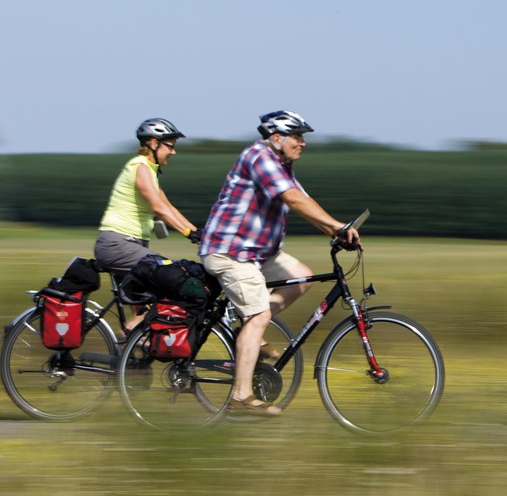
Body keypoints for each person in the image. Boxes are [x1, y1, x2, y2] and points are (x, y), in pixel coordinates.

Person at [198, 110, 360, 416]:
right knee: (258, 315)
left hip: (258, 253)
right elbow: (295, 201)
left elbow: (306, 204)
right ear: (277, 138)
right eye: (298, 136)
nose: (303, 143)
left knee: (302, 275)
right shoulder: (259, 157)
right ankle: (240, 396)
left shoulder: (283, 167)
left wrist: (336, 233)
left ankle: (251, 330)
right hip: (231, 252)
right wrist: (338, 226)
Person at [94, 118, 201, 335]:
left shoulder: (149, 171)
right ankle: (130, 345)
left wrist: (199, 232)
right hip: (118, 245)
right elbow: (158, 208)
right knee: (171, 276)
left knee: (145, 306)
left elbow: (168, 206)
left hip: (129, 245)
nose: (173, 152)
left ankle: (131, 358)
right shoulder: (140, 166)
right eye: (170, 146)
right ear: (153, 143)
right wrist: (189, 233)